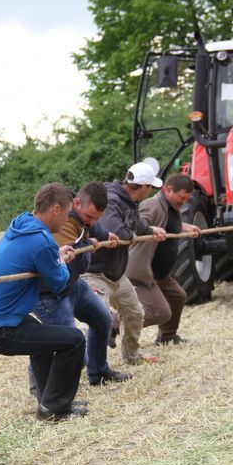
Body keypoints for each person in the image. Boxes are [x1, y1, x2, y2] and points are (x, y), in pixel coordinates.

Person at [0, 183, 87, 422]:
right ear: (56, 209)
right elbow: (59, 284)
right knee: (75, 340)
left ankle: (48, 403)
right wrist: (62, 261)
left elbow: (39, 255)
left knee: (42, 342)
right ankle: (54, 408)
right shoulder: (41, 241)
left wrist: (55, 257)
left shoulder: (22, 224)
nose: (66, 221)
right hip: (0, 331)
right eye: (66, 215)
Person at [32, 182, 130, 387]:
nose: (91, 221)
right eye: (89, 216)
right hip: (50, 295)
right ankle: (40, 386)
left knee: (103, 320)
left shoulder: (82, 218)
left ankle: (99, 372)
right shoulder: (63, 223)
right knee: (65, 344)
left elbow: (91, 227)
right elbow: (71, 258)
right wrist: (88, 244)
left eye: (96, 218)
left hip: (72, 285)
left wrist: (103, 235)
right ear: (76, 204)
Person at [82, 162, 167, 365]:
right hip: (95, 272)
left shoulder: (128, 202)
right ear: (145, 186)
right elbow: (115, 230)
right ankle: (87, 363)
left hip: (115, 273)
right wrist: (133, 235)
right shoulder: (111, 200)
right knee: (99, 319)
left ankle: (132, 357)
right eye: (150, 187)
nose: (150, 191)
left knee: (135, 313)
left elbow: (134, 222)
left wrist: (150, 230)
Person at [125, 174, 200, 346]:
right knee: (158, 312)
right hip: (142, 270)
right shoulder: (152, 205)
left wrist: (186, 228)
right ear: (167, 189)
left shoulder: (171, 207)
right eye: (181, 197)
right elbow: (134, 227)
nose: (183, 202)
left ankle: (167, 337)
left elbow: (166, 226)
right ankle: (111, 325)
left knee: (178, 297)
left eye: (187, 199)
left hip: (161, 272)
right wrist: (151, 230)